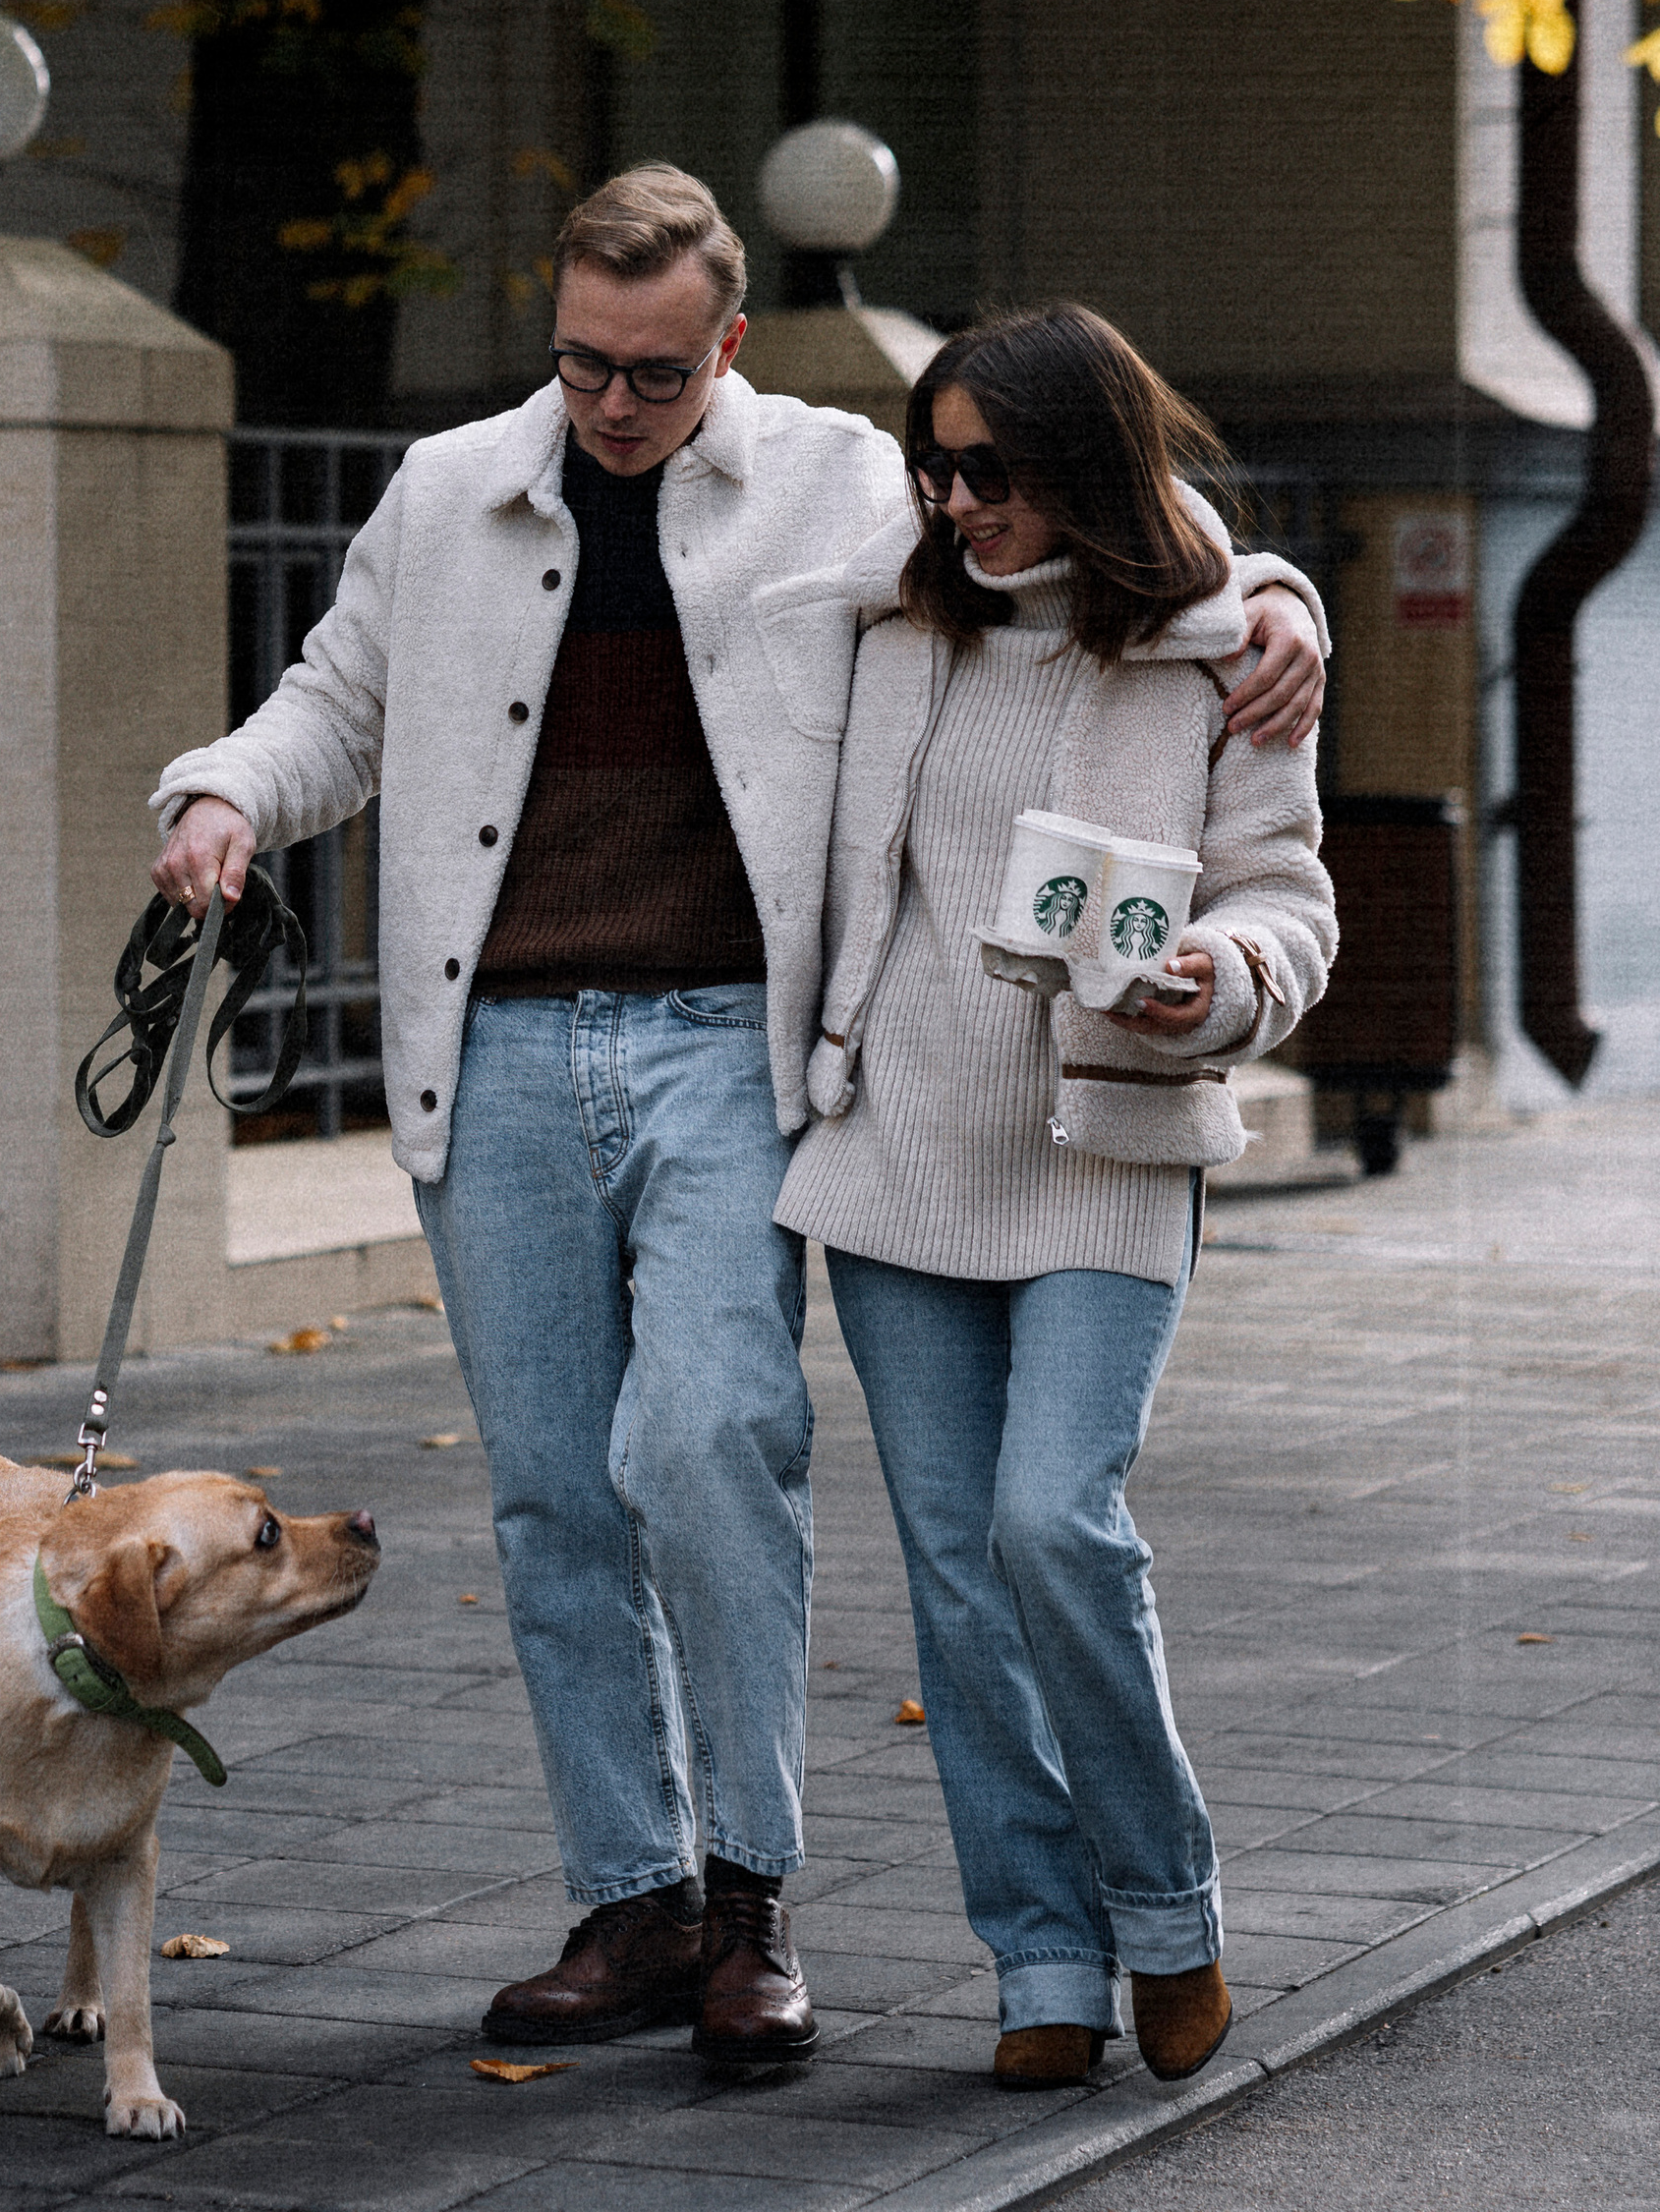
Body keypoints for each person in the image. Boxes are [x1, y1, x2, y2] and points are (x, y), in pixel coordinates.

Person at [149, 173, 1324, 2071]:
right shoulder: (446, 495)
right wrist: (222, 797)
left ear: (732, 344)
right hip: (497, 1052)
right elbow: (330, 707)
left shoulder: (848, 481)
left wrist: (1279, 600)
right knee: (552, 1495)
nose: (613, 406)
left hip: (724, 1043)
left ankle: (752, 1895)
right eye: (582, 366)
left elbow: (1086, 526)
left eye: (657, 372)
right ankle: (634, 1902)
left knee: (711, 1442)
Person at [771, 304, 1338, 2092]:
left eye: (992, 471)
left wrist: (1225, 979)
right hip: (896, 1157)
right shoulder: (886, 614)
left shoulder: (1223, 654)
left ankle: (1168, 1911)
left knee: (1053, 1528)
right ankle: (1041, 1954)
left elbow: (1288, 897)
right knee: (956, 1582)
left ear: (1087, 464)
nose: (955, 504)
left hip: (1106, 1153)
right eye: (932, 469)